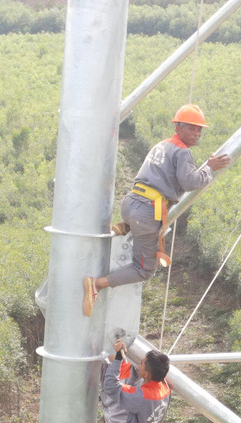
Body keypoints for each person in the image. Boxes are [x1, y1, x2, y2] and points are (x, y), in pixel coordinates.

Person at [83, 103, 231, 316]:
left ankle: (123, 227)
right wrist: (209, 168)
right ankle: (96, 284)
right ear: (178, 127)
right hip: (146, 212)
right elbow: (190, 182)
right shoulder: (183, 152)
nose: (197, 133)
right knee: (144, 270)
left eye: (199, 129)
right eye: (192, 128)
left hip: (132, 203)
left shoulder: (162, 145)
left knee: (141, 228)